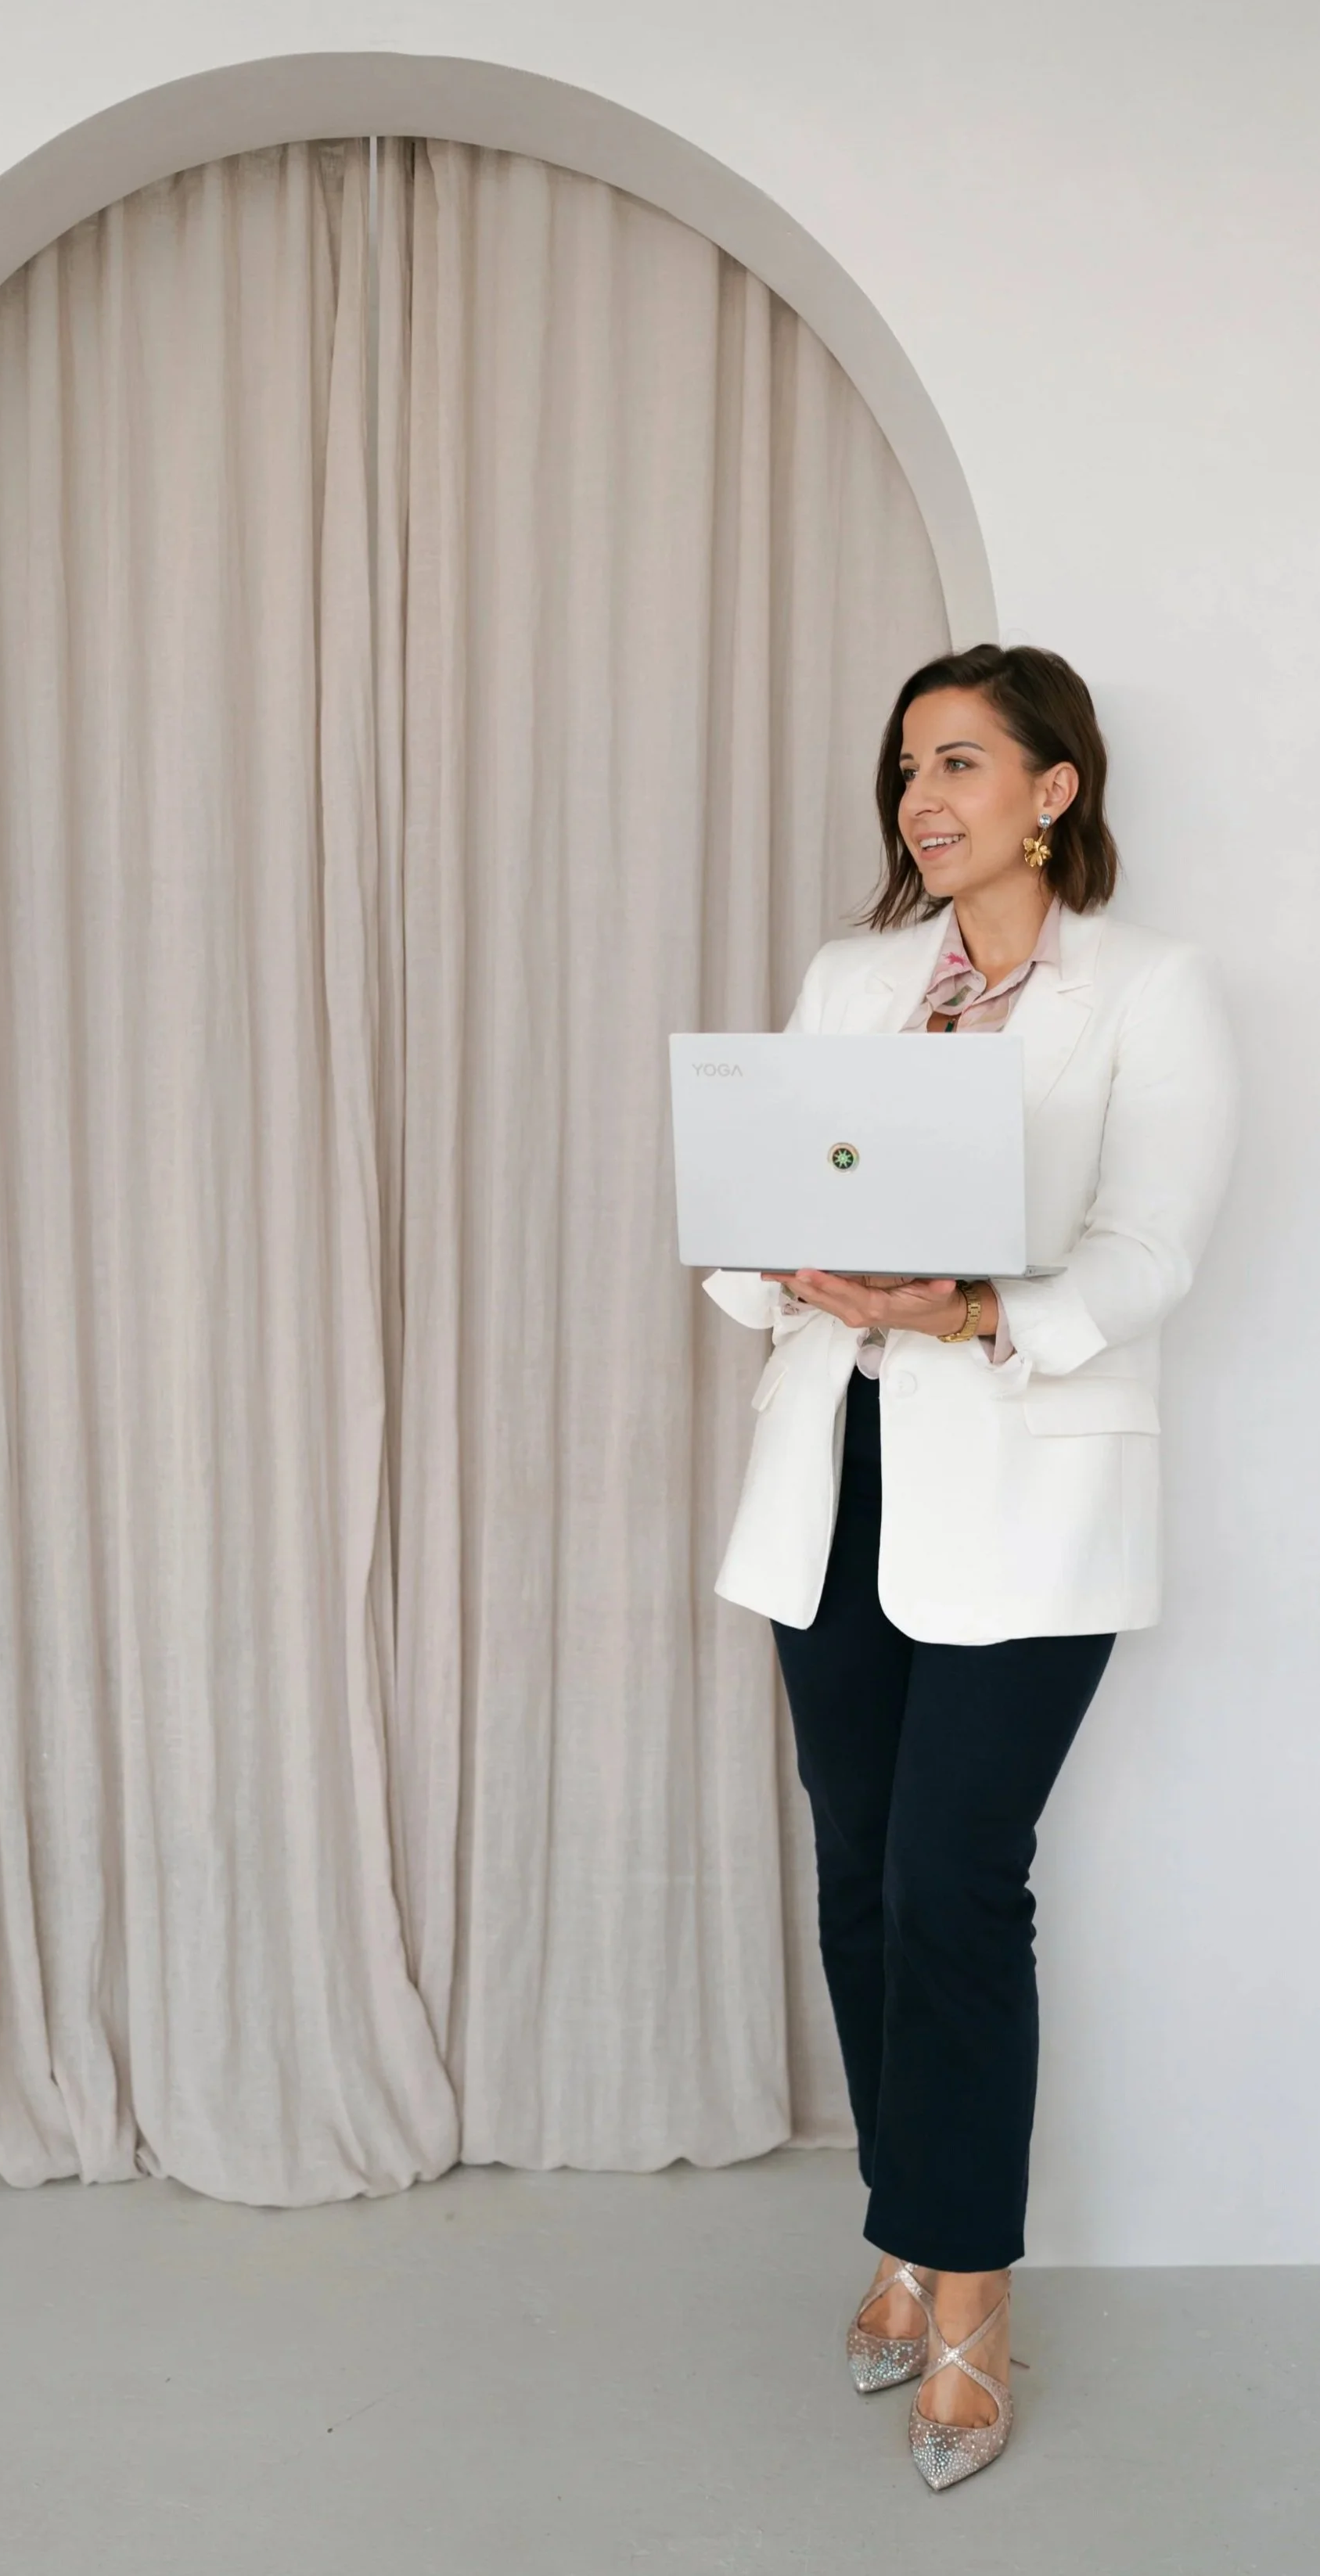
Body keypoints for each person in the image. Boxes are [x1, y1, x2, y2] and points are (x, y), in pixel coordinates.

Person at [703, 643, 1236, 2489]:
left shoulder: (1147, 994)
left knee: (952, 1876)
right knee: (856, 1871)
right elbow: (739, 1211)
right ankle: (903, 2222)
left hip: (1025, 1494)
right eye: (903, 770)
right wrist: (789, 1269)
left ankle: (971, 2292)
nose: (920, 800)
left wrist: (979, 1306)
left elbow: (1153, 1249)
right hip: (830, 1472)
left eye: (957, 764)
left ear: (1051, 789)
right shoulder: (851, 978)